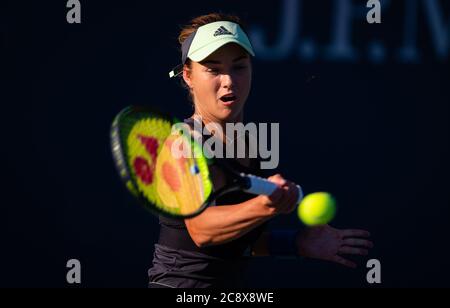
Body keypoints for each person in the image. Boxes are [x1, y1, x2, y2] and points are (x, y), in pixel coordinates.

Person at [148, 13, 373, 288]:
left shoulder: (251, 144)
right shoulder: (183, 143)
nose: (229, 80)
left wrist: (297, 243)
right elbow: (202, 231)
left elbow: (239, 243)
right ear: (188, 76)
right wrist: (264, 206)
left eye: (239, 67)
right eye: (213, 69)